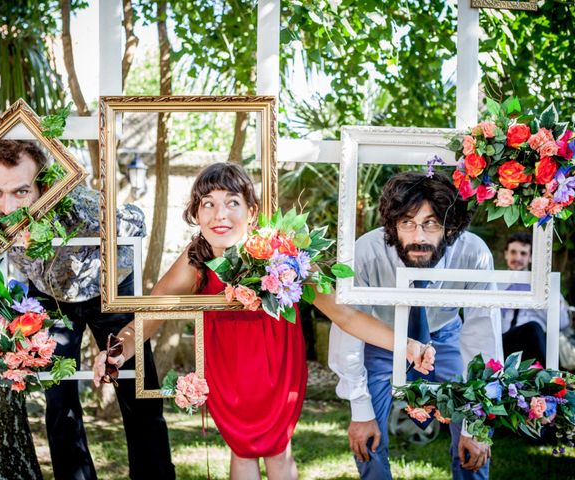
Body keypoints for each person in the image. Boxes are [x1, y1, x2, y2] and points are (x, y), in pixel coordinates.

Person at [93, 162, 435, 480]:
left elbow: (344, 315)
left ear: (252, 212)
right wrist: (119, 351)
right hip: (226, 373)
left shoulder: (283, 255)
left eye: (232, 202)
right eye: (207, 203)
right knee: (241, 450)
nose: (219, 214)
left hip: (278, 372)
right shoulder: (196, 258)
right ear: (195, 214)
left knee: (278, 451)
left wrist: (404, 344)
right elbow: (154, 311)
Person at [0, 140, 175, 480]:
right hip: (51, 295)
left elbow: (135, 221)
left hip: (109, 287)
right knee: (60, 402)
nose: (7, 205)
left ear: (43, 186)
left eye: (21, 192)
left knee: (139, 395)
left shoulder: (76, 205)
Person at [329, 171, 503, 480]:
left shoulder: (473, 253)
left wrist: (475, 425)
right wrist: (360, 411)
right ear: (392, 226)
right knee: (367, 438)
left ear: (450, 228)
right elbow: (348, 330)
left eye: (431, 223)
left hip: (447, 335)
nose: (419, 237)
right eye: (407, 223)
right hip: (380, 338)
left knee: (475, 440)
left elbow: (482, 336)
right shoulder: (366, 252)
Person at [501, 232, 571, 367]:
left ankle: (546, 380)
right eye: (513, 252)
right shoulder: (496, 285)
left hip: (536, 344)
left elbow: (562, 323)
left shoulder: (543, 285)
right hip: (506, 342)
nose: (517, 257)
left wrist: (546, 298)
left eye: (523, 253)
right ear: (506, 254)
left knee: (533, 328)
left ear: (531, 257)